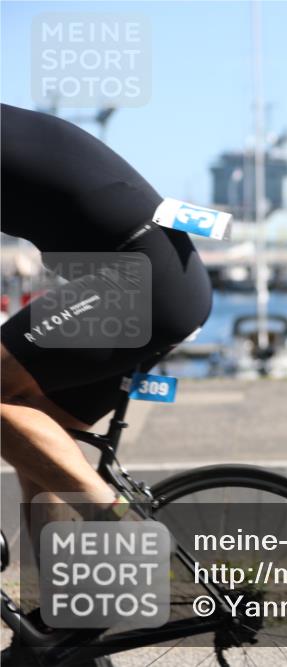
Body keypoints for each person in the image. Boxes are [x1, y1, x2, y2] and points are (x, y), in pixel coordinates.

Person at [0, 103, 213, 519]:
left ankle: (120, 522)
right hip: (166, 278)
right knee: (40, 457)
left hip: (142, 281)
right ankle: (66, 585)